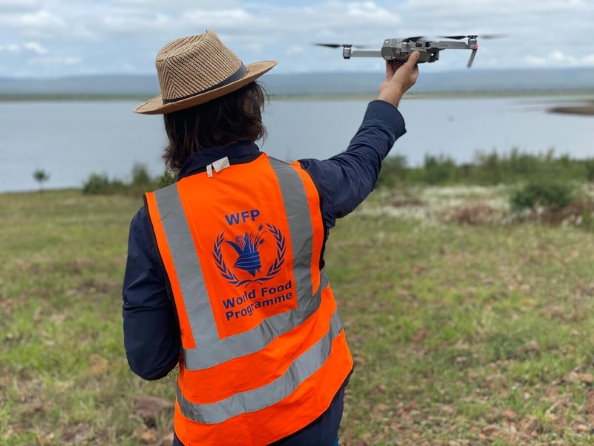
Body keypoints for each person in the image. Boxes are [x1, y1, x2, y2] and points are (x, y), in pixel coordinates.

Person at [122, 30, 419, 446]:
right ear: (249, 104)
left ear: (174, 125)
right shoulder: (303, 186)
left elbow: (149, 359)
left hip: (215, 436)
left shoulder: (154, 223)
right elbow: (361, 163)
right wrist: (390, 93)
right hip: (314, 412)